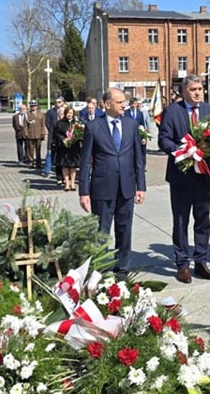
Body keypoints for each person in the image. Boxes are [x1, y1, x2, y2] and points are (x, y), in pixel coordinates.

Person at [79, 87, 146, 279]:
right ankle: (99, 269)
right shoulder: (93, 127)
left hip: (126, 187)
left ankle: (123, 268)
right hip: (102, 188)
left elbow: (138, 159)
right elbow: (84, 163)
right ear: (107, 104)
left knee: (124, 229)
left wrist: (141, 186)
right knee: (101, 232)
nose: (124, 105)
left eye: (124, 101)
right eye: (119, 102)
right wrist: (83, 192)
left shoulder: (131, 125)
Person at [158, 74, 210, 283]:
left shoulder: (209, 111)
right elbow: (163, 140)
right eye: (193, 89)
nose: (198, 92)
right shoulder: (172, 111)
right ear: (184, 92)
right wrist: (183, 151)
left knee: (203, 219)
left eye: (200, 88)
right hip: (181, 175)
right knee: (181, 220)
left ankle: (201, 261)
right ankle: (182, 264)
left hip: (203, 174)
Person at [53, 106, 82, 190]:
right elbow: (56, 134)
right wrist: (63, 139)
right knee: (65, 166)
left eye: (71, 113)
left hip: (74, 147)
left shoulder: (77, 122)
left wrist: (76, 137)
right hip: (63, 147)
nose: (69, 115)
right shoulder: (60, 123)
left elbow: (81, 133)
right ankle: (67, 184)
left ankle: (72, 184)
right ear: (65, 113)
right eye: (68, 113)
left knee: (73, 166)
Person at [44, 95, 65, 180]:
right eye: (56, 102)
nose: (57, 104)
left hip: (63, 137)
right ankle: (47, 170)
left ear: (63, 102)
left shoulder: (66, 110)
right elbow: (47, 123)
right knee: (49, 154)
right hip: (53, 135)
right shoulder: (50, 112)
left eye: (59, 102)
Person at [23, 100, 46, 170]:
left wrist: (43, 132)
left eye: (34, 106)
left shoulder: (41, 114)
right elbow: (25, 125)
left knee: (38, 150)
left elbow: (43, 124)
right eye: (32, 106)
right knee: (30, 150)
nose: (33, 107)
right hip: (30, 134)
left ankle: (38, 163)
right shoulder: (27, 114)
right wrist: (26, 133)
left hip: (39, 134)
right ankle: (31, 162)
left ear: (37, 106)